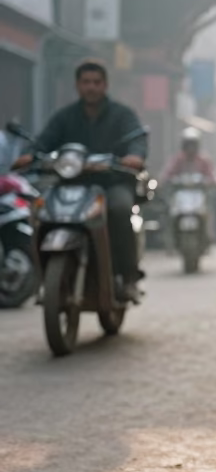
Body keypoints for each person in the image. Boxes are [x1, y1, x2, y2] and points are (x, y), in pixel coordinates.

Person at [17, 60, 147, 301]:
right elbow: (44, 142)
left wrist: (134, 156)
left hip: (112, 183)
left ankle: (127, 277)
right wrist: (30, 155)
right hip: (72, 184)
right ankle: (44, 276)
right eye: (86, 82)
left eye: (96, 82)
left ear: (105, 85)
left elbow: (136, 140)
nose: (91, 87)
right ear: (77, 85)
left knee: (119, 209)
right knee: (41, 210)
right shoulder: (65, 117)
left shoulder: (122, 115)